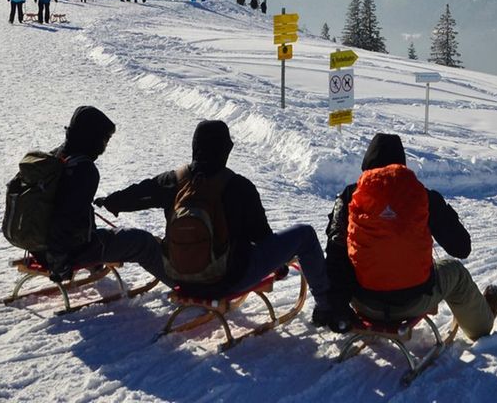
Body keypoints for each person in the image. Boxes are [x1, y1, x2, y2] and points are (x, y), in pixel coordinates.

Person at [96, 120, 349, 329]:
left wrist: (111, 201)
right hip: (226, 280)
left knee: (143, 241)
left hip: (176, 276)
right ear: (225, 150)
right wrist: (278, 263)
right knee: (304, 234)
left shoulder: (173, 180)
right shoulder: (239, 186)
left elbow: (140, 194)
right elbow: (262, 238)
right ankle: (326, 307)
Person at [324, 133, 497, 340]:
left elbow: (334, 248)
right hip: (414, 300)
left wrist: (336, 304)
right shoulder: (422, 196)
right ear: (402, 164)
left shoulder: (348, 196)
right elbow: (461, 248)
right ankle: (480, 325)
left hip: (363, 301)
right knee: (455, 271)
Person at [39, 106, 171, 286]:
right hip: (67, 253)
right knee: (143, 242)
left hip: (39, 246)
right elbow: (65, 219)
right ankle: (183, 285)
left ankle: (91, 263)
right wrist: (59, 263)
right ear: (92, 137)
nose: (105, 146)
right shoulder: (83, 169)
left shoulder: (55, 157)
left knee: (89, 222)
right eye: (105, 139)